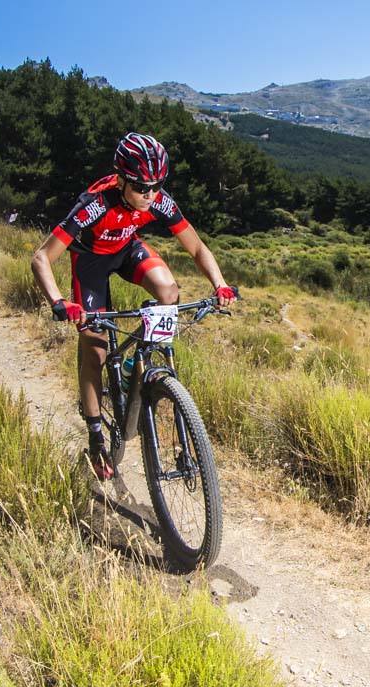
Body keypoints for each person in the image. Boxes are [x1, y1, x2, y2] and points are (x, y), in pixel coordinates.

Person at [30, 132, 236, 480]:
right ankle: (96, 437)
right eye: (142, 187)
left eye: (157, 186)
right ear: (122, 179)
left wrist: (220, 284)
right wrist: (59, 302)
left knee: (168, 293)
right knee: (94, 349)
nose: (150, 195)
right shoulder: (95, 204)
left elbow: (198, 248)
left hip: (126, 250)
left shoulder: (158, 201)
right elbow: (41, 257)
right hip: (91, 262)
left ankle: (131, 364)